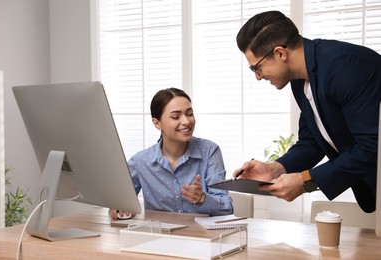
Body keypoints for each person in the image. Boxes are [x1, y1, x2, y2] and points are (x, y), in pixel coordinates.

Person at [233, 10, 381, 213]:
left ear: (280, 53)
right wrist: (275, 169)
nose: (258, 77)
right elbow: (312, 142)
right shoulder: (299, 81)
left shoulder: (346, 67)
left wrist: (305, 181)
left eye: (256, 68)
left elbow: (373, 146)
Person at [110, 88, 233, 219]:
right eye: (175, 116)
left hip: (201, 237)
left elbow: (227, 208)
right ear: (157, 123)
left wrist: (202, 199)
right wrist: (119, 208)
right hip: (158, 236)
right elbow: (118, 202)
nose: (186, 121)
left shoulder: (209, 151)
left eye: (190, 113)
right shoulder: (141, 161)